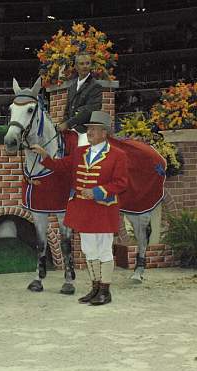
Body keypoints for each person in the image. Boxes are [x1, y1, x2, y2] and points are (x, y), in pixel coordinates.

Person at [31, 111, 128, 306]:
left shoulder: (118, 155)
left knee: (104, 250)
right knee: (89, 250)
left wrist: (98, 191)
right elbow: (60, 166)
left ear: (104, 133)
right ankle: (95, 288)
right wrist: (44, 156)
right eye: (89, 129)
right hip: (83, 210)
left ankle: (105, 291)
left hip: (103, 210)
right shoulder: (79, 152)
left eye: (94, 129)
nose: (89, 132)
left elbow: (121, 183)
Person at [57, 52, 103, 149]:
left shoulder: (95, 86)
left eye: (87, 63)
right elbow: (67, 109)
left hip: (86, 130)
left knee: (82, 150)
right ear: (76, 67)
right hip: (71, 129)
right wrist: (62, 123)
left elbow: (89, 111)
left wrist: (68, 124)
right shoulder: (72, 86)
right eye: (82, 64)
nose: (85, 66)